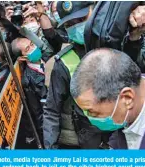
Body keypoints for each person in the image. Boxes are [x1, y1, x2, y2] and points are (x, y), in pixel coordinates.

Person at [43, 1, 111, 149]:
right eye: (69, 25)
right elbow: (52, 110)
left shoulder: (116, 44)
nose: (77, 27)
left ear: (94, 12)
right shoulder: (64, 63)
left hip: (122, 133)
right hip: (91, 140)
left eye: (81, 20)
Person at [11, 37, 47, 145]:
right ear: (22, 58)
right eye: (28, 49)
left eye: (32, 44)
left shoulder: (48, 57)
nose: (33, 48)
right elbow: (37, 112)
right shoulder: (28, 80)